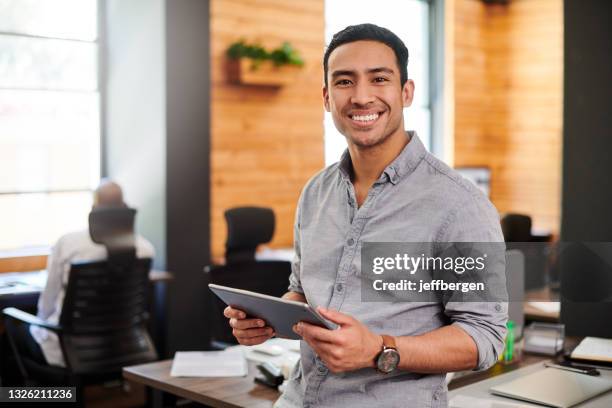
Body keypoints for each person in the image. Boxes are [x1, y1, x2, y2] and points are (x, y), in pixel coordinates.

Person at [224, 24, 507, 407]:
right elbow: (304, 293)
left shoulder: (460, 206)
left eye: (379, 79)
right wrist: (267, 321)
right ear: (327, 97)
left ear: (405, 92)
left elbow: (485, 337)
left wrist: (379, 349)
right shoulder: (315, 193)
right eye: (344, 81)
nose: (361, 96)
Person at [29, 180, 155, 367]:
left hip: (71, 349)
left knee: (14, 326)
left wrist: (39, 323)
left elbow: (48, 303)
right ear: (125, 208)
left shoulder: (68, 244)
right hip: (124, 346)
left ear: (93, 208)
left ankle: (37, 396)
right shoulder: (145, 249)